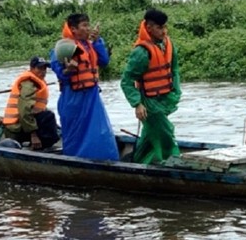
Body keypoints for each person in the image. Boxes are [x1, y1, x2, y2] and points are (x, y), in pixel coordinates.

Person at [49, 13, 119, 160]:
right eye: (84, 26)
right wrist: (67, 71)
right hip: (73, 97)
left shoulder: (90, 45)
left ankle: (102, 158)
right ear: (73, 29)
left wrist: (98, 41)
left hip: (92, 96)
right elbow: (59, 72)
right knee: (75, 133)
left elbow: (104, 61)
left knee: (100, 131)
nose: (88, 29)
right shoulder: (63, 47)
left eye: (88, 25)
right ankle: (74, 161)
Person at [120, 9, 182, 164]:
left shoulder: (168, 44)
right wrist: (137, 104)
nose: (164, 31)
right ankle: (173, 161)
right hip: (149, 102)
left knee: (150, 137)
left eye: (165, 27)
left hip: (165, 98)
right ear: (148, 27)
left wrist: (175, 92)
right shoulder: (141, 52)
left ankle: (138, 161)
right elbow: (127, 80)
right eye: (160, 28)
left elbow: (174, 70)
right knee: (166, 133)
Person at [2, 56, 60, 150]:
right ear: (32, 68)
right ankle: (42, 146)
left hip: (23, 124)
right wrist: (33, 135)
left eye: (44, 68)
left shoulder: (37, 82)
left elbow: (37, 108)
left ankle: (46, 144)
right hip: (16, 127)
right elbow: (24, 111)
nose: (43, 71)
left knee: (48, 116)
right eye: (39, 68)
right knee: (48, 116)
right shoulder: (28, 84)